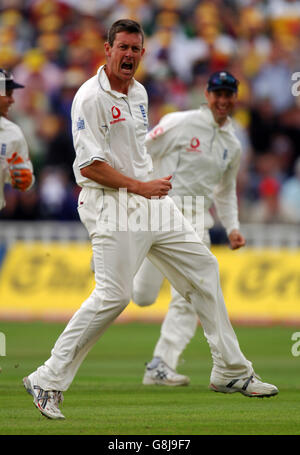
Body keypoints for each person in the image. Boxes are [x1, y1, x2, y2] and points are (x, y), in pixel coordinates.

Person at [23, 19, 278, 421]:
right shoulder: (89, 97)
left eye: (135, 49)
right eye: (121, 47)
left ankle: (230, 370)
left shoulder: (139, 92)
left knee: (204, 268)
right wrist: (139, 187)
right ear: (107, 50)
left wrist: (149, 187)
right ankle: (48, 377)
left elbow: (139, 154)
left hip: (152, 201)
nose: (128, 55)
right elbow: (89, 166)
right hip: (111, 202)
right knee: (114, 296)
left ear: (143, 53)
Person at [132, 71, 248, 386]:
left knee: (191, 294)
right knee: (141, 296)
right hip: (160, 212)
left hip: (196, 221)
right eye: (218, 94)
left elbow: (225, 192)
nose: (223, 101)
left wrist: (233, 226)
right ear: (207, 94)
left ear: (234, 98)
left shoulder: (232, 144)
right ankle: (109, 257)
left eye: (229, 95)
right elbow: (141, 150)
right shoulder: (179, 122)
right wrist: (137, 189)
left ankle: (160, 365)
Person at [0, 69, 34, 211]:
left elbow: (25, 174)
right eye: (8, 94)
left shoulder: (13, 133)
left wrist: (26, 180)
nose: (12, 100)